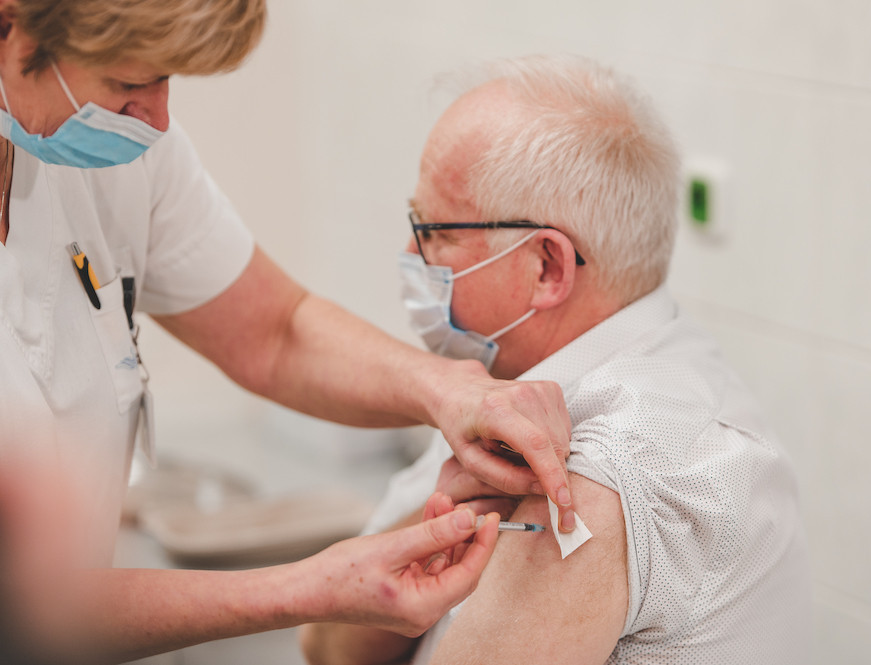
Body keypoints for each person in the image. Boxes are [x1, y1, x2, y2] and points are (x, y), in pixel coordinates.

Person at [0, 0, 578, 661]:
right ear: (8, 26)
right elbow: (18, 607)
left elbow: (274, 331)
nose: (157, 119)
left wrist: (451, 389)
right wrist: (308, 588)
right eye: (130, 83)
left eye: (167, 80)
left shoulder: (121, 152)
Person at [300, 55, 812, 665]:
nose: (411, 254)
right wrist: (440, 523)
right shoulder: (501, 393)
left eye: (436, 232)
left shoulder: (617, 469)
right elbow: (324, 643)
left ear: (546, 267)